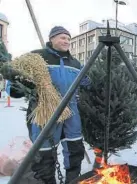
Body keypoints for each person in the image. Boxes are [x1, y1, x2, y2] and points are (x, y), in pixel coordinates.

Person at [1, 26, 90, 184]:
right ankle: (47, 181)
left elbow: (87, 83)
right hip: (45, 110)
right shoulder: (37, 57)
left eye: (68, 39)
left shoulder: (75, 63)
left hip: (72, 111)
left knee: (75, 147)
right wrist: (19, 87)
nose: (66, 41)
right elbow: (15, 78)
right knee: (44, 152)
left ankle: (73, 180)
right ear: (52, 39)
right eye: (62, 38)